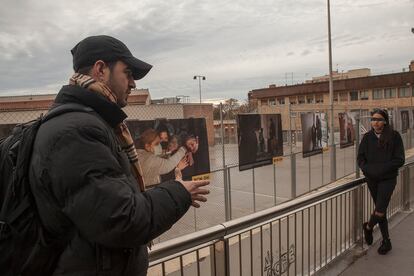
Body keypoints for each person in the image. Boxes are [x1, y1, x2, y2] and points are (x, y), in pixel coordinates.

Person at [29, 35, 209, 276]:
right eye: (128, 73)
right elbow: (122, 219)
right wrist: (179, 192)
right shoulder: (78, 131)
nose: (133, 83)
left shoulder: (90, 123)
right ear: (101, 69)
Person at [357, 108, 405, 255]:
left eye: (378, 119)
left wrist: (381, 169)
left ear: (385, 122)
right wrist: (368, 170)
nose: (375, 122)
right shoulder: (367, 138)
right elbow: (361, 158)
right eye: (373, 119)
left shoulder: (394, 136)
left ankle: (369, 227)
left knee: (379, 210)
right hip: (372, 179)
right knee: (381, 210)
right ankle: (386, 241)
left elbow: (400, 159)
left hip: (388, 179)